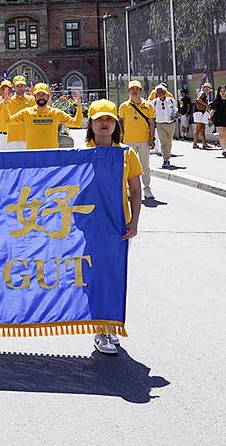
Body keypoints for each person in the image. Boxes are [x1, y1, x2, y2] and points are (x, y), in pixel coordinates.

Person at [84, 99, 141, 355]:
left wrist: (135, 221)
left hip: (118, 226)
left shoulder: (127, 154)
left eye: (109, 119)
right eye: (99, 119)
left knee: (115, 275)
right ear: (91, 124)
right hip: (91, 226)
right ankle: (100, 330)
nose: (104, 123)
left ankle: (111, 324)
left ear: (116, 123)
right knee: (96, 277)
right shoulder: (81, 154)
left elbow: (136, 191)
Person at [8, 84, 83, 150]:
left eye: (43, 94)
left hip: (51, 156)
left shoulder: (56, 113)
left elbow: (77, 123)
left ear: (48, 96)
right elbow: (8, 121)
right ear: (34, 96)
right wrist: (5, 103)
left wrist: (79, 106)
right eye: (38, 95)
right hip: (33, 155)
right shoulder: (26, 113)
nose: (41, 97)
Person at [118, 80, 156, 200]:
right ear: (129, 91)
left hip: (144, 140)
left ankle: (147, 188)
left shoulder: (148, 105)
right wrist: (121, 135)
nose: (134, 91)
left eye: (137, 89)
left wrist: (152, 138)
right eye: (132, 89)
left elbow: (151, 122)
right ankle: (129, 189)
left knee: (145, 165)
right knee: (128, 166)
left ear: (140, 91)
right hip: (128, 141)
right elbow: (120, 122)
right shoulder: (124, 106)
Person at [151, 84, 178, 168]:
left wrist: (175, 115)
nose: (159, 93)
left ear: (165, 92)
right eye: (157, 92)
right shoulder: (154, 102)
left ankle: (167, 157)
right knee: (164, 142)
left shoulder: (171, 101)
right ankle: (165, 160)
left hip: (171, 123)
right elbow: (151, 113)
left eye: (161, 91)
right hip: (160, 124)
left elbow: (175, 110)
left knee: (169, 142)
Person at [1, 77, 32, 150]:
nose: (20, 88)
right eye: (18, 86)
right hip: (13, 139)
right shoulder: (8, 101)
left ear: (25, 87)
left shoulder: (32, 100)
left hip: (28, 138)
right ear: (14, 87)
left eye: (22, 86)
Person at [209, 85, 226, 158]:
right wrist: (210, 118)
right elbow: (213, 110)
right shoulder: (216, 100)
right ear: (219, 92)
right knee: (221, 135)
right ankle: (223, 149)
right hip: (218, 119)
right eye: (221, 91)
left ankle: (225, 149)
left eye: (224, 91)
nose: (223, 93)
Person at [192, 83, 213, 149]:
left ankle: (204, 143)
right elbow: (198, 99)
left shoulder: (203, 94)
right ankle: (195, 143)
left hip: (200, 112)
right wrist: (206, 105)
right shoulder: (202, 93)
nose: (209, 90)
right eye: (208, 88)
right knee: (199, 128)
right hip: (199, 112)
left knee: (202, 128)